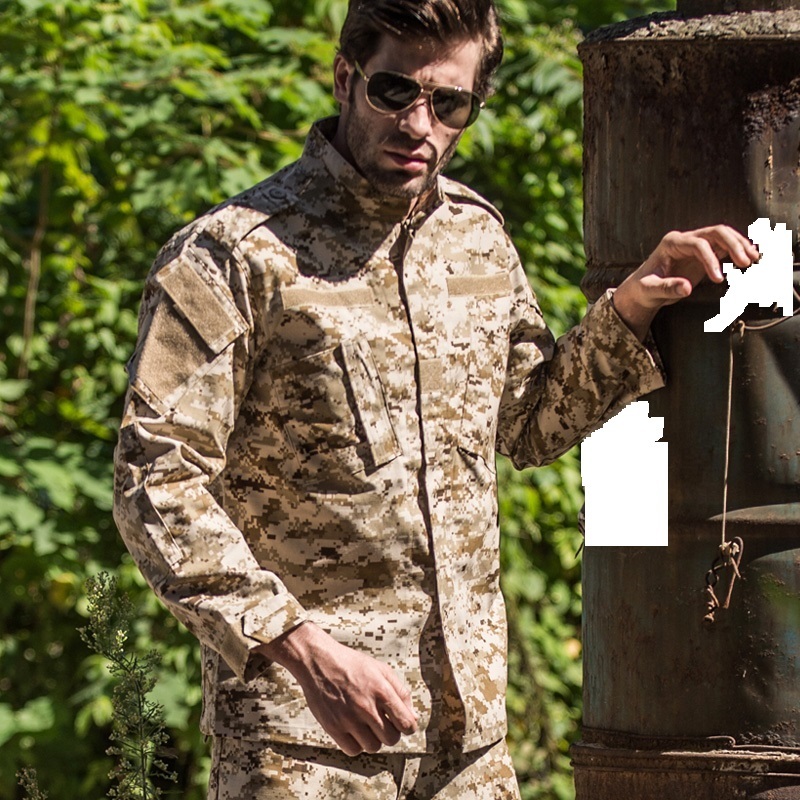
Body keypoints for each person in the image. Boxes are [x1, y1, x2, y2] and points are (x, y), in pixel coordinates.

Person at [112, 0, 759, 797]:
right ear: (346, 78)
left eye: (448, 103)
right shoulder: (233, 255)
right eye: (395, 92)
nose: (420, 122)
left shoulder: (478, 238)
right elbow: (156, 481)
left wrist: (633, 306)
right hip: (308, 746)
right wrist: (301, 648)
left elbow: (529, 425)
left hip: (470, 747)